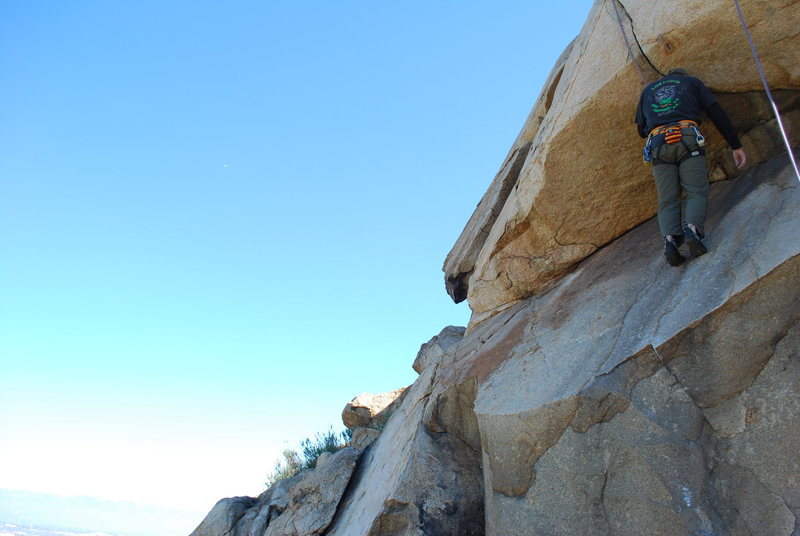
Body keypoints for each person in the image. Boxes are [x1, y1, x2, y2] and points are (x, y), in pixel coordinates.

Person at [635, 68, 747, 266]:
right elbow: (715, 111)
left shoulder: (648, 91)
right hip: (686, 136)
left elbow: (641, 129)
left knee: (667, 198)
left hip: (658, 143)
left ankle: (670, 242)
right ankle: (693, 232)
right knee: (696, 190)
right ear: (682, 76)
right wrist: (735, 144)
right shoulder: (692, 82)